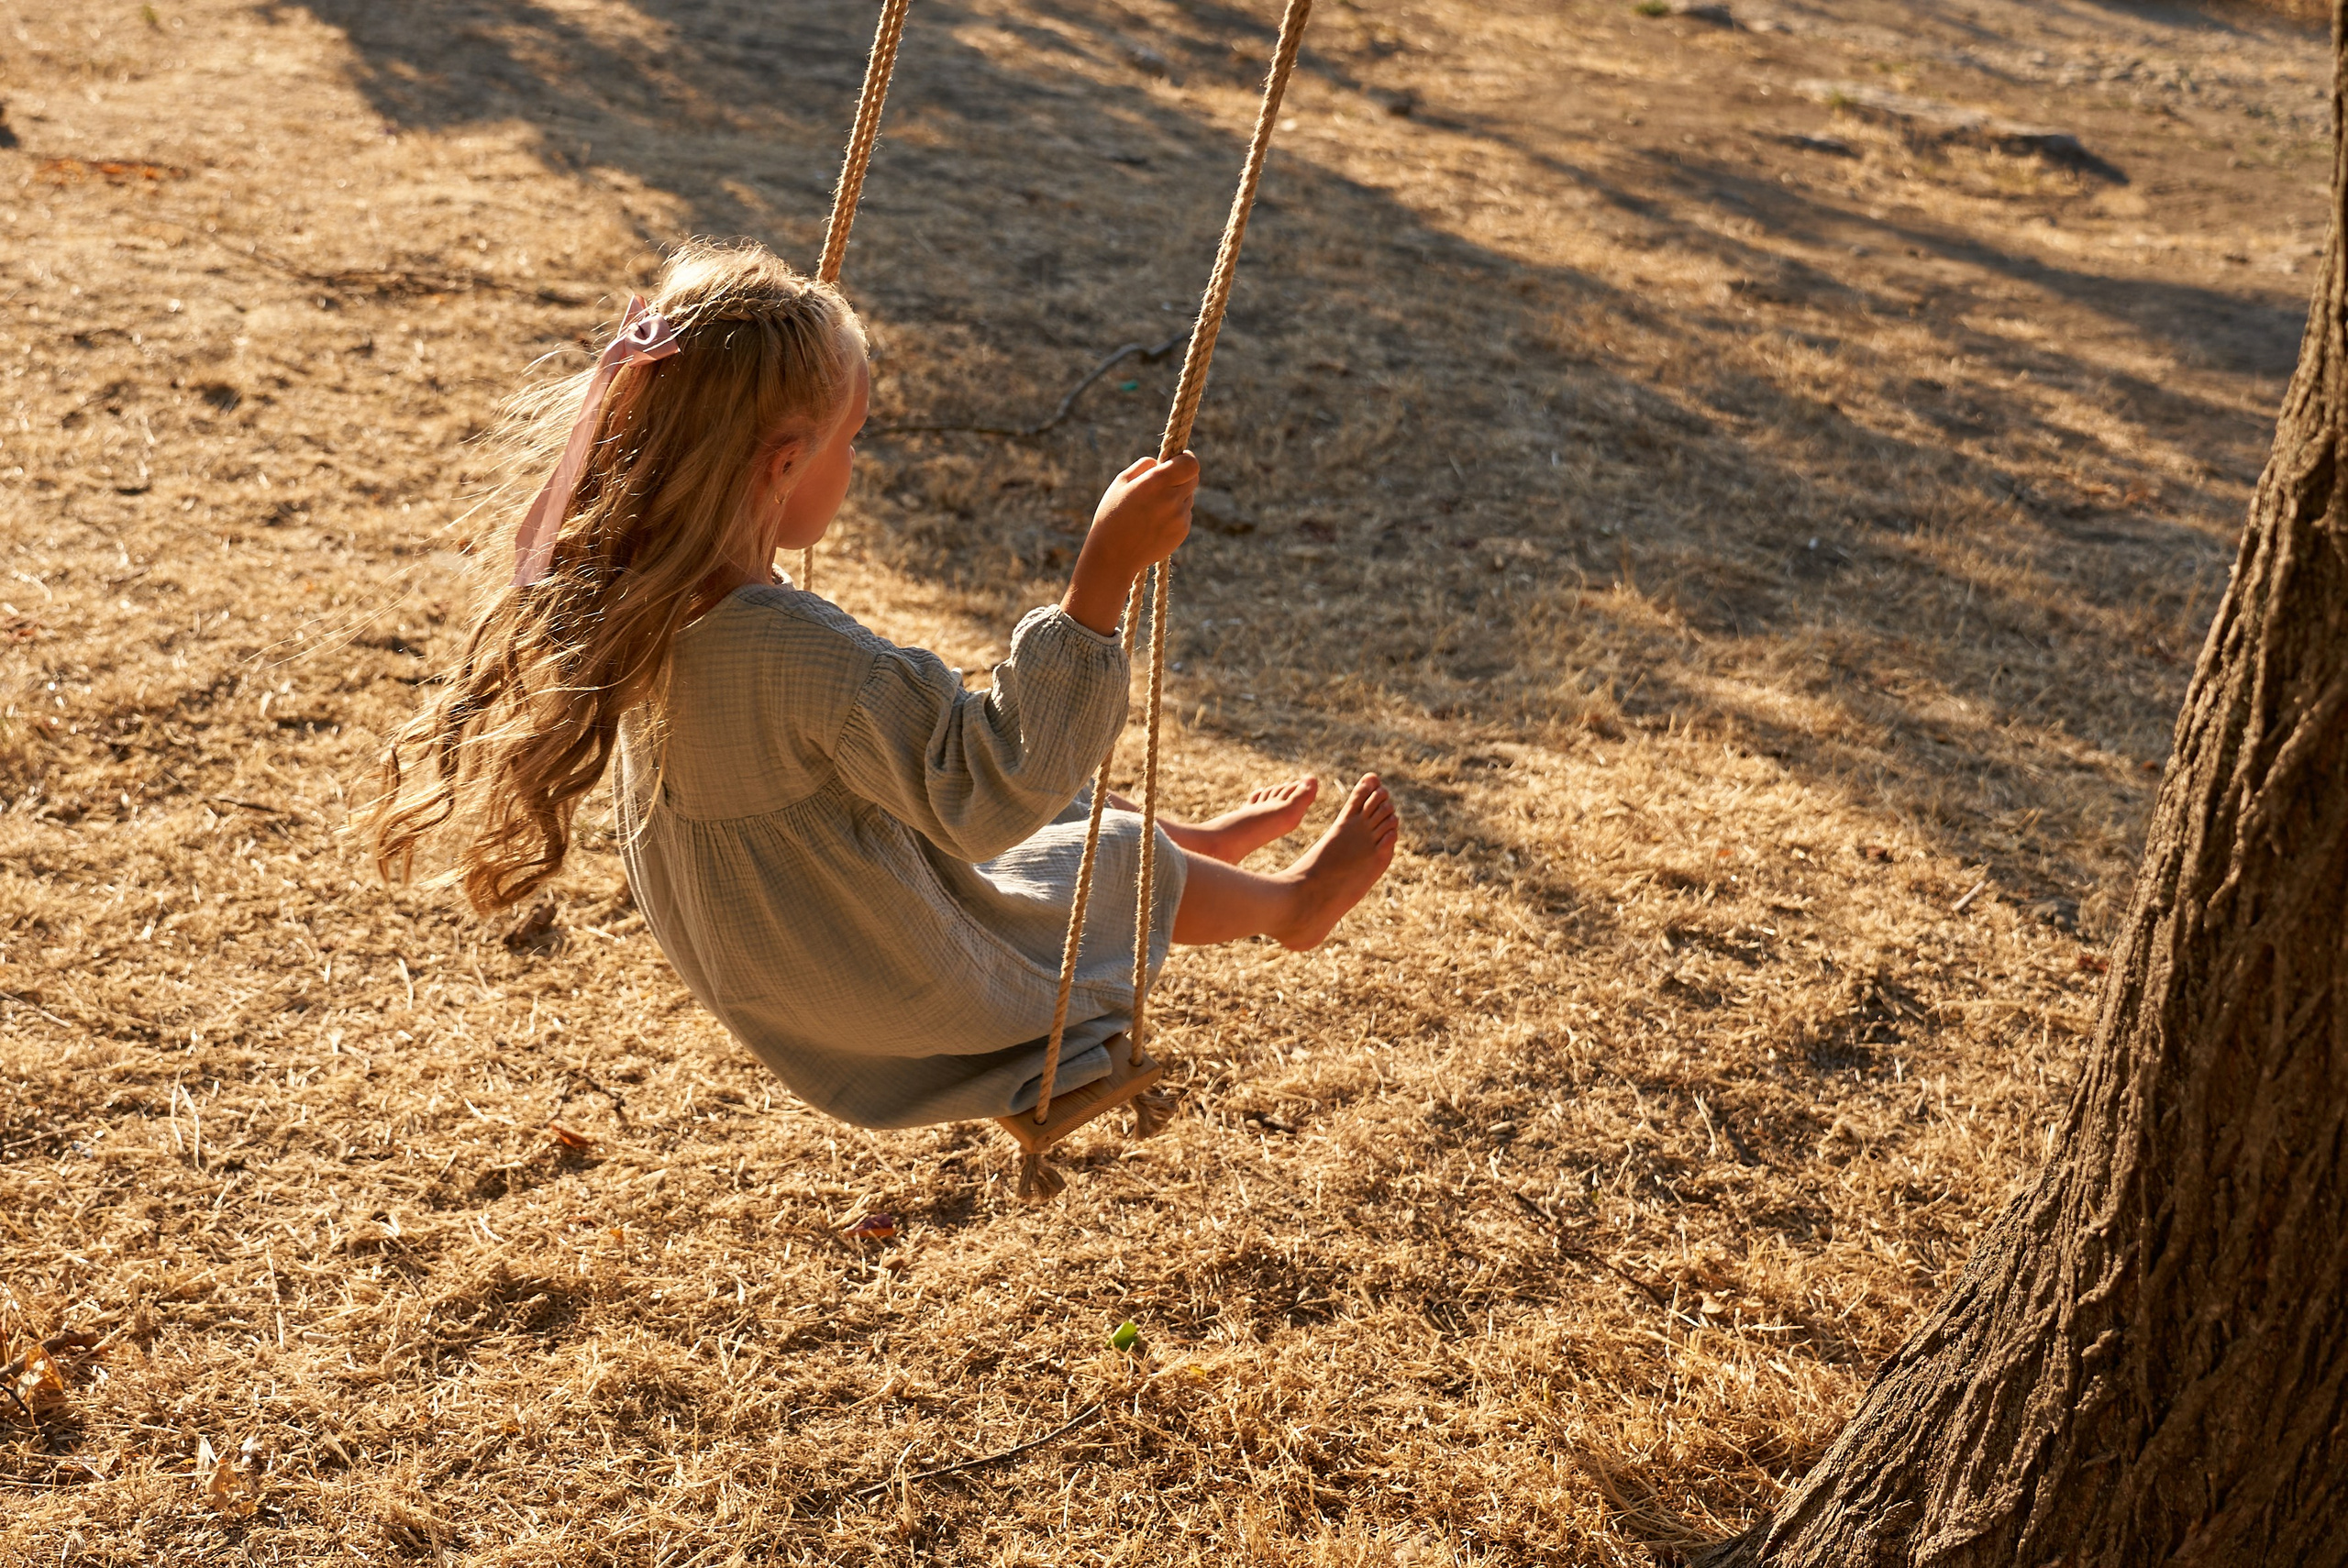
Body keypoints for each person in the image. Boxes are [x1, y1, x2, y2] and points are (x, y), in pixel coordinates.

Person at [363, 240, 1399, 1129]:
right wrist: (1099, 584)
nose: (854, 463)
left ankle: (1203, 854)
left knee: (1075, 810)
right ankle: (1288, 905)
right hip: (878, 977)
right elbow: (993, 787)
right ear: (780, 465)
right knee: (1096, 846)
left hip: (777, 960)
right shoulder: (792, 647)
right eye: (849, 441)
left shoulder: (634, 584)